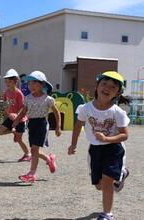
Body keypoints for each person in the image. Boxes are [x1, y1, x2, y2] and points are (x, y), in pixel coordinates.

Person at [68, 71, 130, 220]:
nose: (107, 88)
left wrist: (107, 139)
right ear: (96, 86)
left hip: (114, 149)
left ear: (117, 93)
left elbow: (125, 135)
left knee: (107, 182)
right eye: (104, 84)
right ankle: (121, 174)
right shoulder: (85, 108)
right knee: (99, 185)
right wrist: (73, 144)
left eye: (113, 87)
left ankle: (107, 214)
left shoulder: (118, 112)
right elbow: (78, 126)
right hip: (94, 149)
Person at [13, 71, 61, 182]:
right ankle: (49, 159)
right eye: (29, 83)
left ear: (42, 84)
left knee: (34, 149)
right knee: (34, 150)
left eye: (34, 83)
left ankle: (32, 173)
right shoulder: (28, 98)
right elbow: (23, 111)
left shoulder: (48, 99)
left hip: (42, 124)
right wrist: (16, 121)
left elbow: (57, 112)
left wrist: (58, 127)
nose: (31, 86)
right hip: (32, 124)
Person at [0, 69, 31, 162]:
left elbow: (23, 107)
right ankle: (13, 131)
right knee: (0, 131)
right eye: (6, 81)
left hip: (20, 119)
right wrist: (5, 109)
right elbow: (5, 102)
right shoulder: (7, 92)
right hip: (10, 117)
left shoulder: (19, 93)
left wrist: (16, 116)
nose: (7, 83)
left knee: (19, 140)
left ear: (15, 81)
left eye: (9, 81)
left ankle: (28, 154)